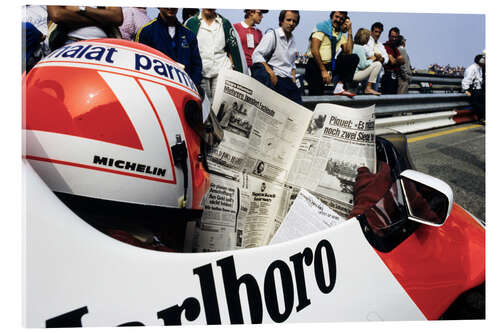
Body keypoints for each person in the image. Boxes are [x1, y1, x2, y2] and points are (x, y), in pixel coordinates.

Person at [185, 9, 246, 101]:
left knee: (221, 107)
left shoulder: (225, 23)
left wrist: (235, 71)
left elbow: (233, 50)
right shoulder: (191, 23)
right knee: (203, 106)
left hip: (221, 72)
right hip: (200, 73)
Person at [136, 8, 202, 87]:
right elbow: (140, 67)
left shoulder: (189, 34)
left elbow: (196, 66)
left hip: (185, 91)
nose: (170, 7)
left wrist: (193, 87)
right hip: (158, 89)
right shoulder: (146, 32)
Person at [251, 10, 303, 104]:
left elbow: (292, 64)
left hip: (289, 80)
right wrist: (270, 72)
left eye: (294, 21)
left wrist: (294, 78)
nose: (291, 23)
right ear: (281, 21)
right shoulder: (272, 35)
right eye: (288, 20)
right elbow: (256, 55)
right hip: (276, 79)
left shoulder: (292, 40)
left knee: (298, 107)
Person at [304, 11, 359, 97]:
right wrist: (323, 71)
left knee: (353, 58)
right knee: (317, 95)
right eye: (336, 17)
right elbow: (314, 50)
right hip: (315, 65)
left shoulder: (339, 34)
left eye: (341, 19)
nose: (338, 20)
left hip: (329, 66)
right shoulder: (321, 27)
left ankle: (339, 86)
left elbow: (349, 52)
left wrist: (350, 31)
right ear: (331, 16)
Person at [46, 6, 123, 49]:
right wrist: (101, 19)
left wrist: (82, 9)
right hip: (70, 43)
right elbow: (57, 15)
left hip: (103, 45)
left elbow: (117, 17)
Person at [352, 28, 382, 95]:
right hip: (355, 75)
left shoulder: (354, 46)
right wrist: (372, 59)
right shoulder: (360, 48)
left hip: (350, 74)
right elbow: (362, 65)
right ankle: (368, 88)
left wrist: (367, 59)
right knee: (378, 64)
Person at [363, 22, 389, 91]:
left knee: (374, 95)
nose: (377, 34)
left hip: (378, 74)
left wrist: (382, 59)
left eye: (379, 32)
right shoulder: (366, 41)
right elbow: (366, 51)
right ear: (371, 31)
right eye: (376, 31)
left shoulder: (380, 45)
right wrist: (376, 56)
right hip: (367, 73)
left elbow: (386, 58)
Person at [381, 27, 405, 94]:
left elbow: (403, 61)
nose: (394, 39)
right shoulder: (384, 47)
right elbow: (393, 61)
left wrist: (396, 60)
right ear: (389, 36)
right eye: (392, 37)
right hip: (387, 75)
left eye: (396, 37)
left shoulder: (395, 48)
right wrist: (398, 60)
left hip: (395, 75)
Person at [462, 54, 485, 121]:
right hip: (474, 90)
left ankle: (482, 117)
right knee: (478, 105)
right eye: (484, 60)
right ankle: (482, 118)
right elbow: (466, 80)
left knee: (483, 104)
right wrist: (466, 90)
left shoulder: (479, 68)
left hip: (479, 89)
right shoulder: (472, 68)